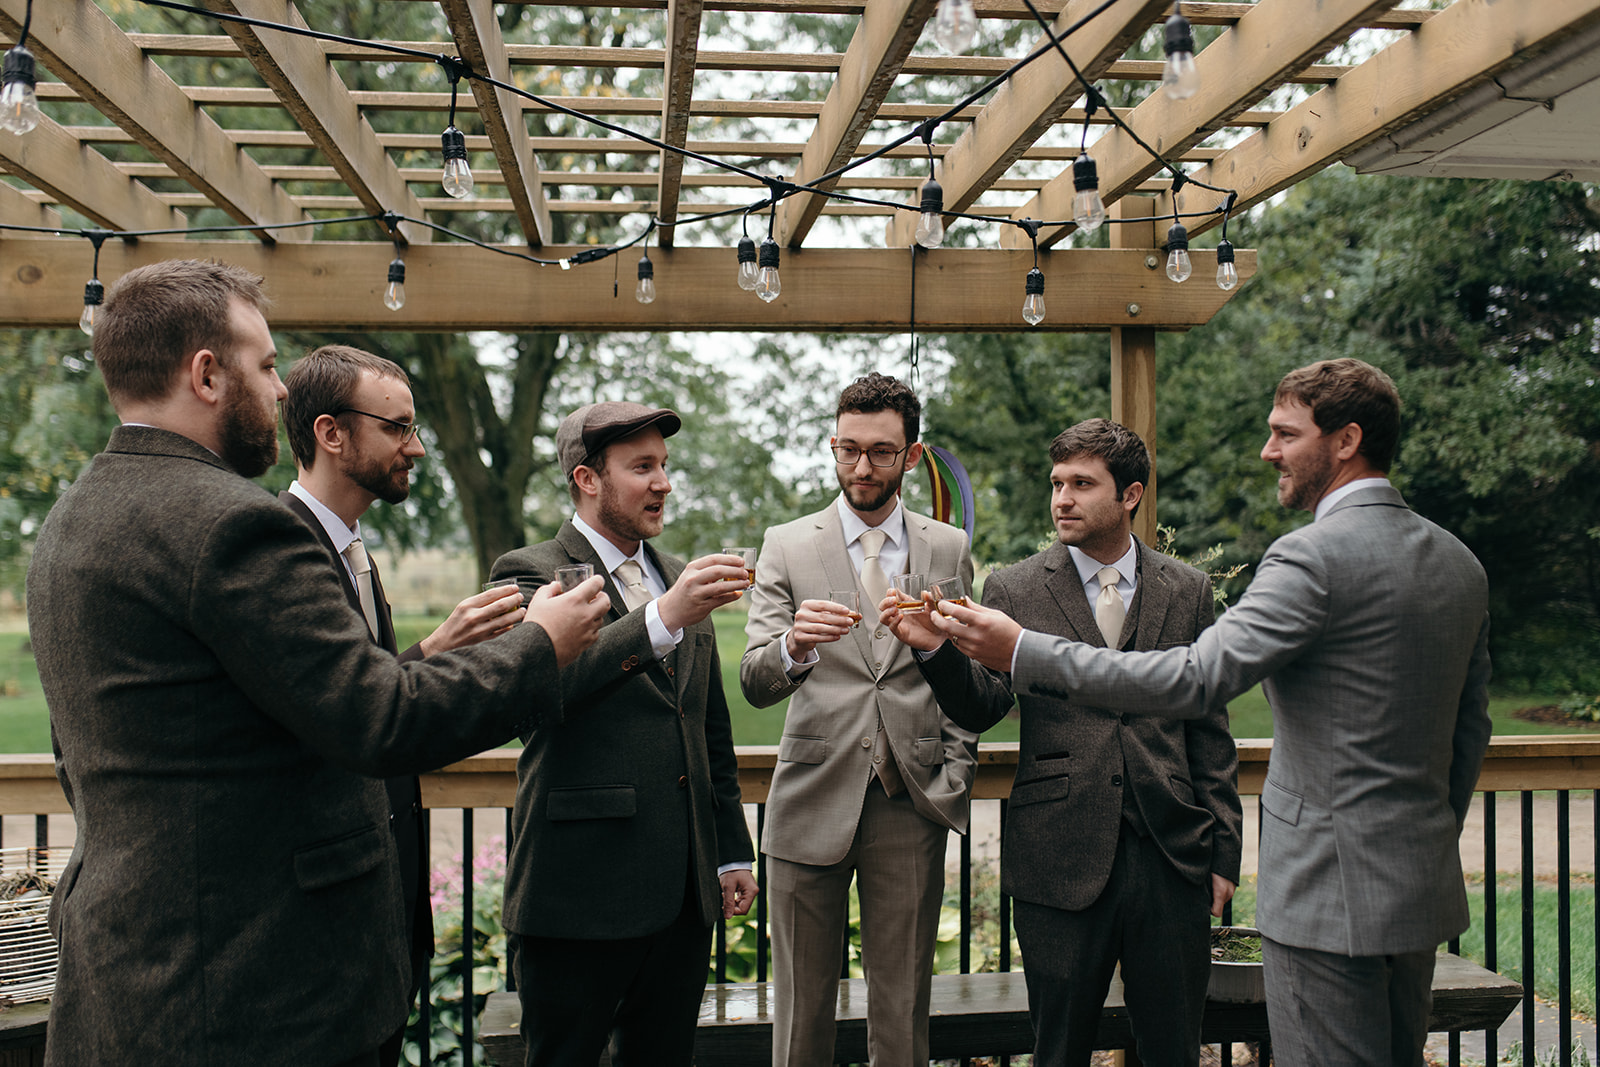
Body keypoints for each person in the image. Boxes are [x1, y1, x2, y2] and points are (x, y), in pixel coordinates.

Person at [25, 259, 609, 1067]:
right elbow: (382, 719)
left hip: (127, 975)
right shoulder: (232, 525)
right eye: (265, 367)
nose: (279, 391)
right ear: (204, 374)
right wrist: (538, 644)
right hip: (255, 994)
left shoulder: (70, 518)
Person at [927, 359, 1493, 1066]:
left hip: (1309, 891)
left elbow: (1199, 685)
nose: (1268, 451)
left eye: (1285, 433)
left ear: (1345, 440)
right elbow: (1472, 730)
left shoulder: (1308, 559)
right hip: (1413, 888)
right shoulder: (1460, 562)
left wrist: (1025, 650)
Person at [884, 417, 1240, 1066]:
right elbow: (983, 704)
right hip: (1059, 856)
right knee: (1058, 1050)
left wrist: (1223, 848)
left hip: (1171, 854)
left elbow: (1208, 728)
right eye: (1056, 483)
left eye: (1081, 483)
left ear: (1130, 495)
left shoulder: (1187, 590)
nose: (1061, 499)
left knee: (1175, 1049)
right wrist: (935, 652)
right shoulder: (1014, 588)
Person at [279, 344, 528, 1067]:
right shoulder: (278, 549)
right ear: (331, 432)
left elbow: (354, 694)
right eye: (398, 427)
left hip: (383, 926)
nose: (416, 446)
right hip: (322, 941)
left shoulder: (357, 554)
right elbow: (334, 727)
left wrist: (431, 652)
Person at [490, 401, 757, 1067]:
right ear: (586, 478)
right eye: (642, 466)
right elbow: (544, 692)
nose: (663, 481)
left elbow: (705, 723)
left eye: (664, 465)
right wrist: (664, 615)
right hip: (578, 897)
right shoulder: (529, 571)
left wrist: (729, 851)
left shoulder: (677, 574)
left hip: (681, 901)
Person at [741, 372, 978, 1067]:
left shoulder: (948, 547)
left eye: (879, 451)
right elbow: (755, 680)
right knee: (801, 1022)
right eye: (847, 449)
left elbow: (964, 674)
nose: (861, 467)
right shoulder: (786, 543)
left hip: (911, 801)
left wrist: (954, 771)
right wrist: (794, 646)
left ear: (911, 455)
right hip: (808, 798)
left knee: (903, 1016)